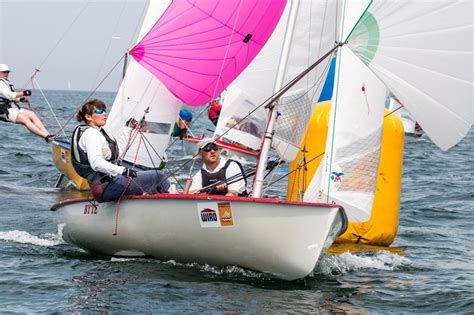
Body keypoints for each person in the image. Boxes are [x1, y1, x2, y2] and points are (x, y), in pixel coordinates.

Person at [71, 98, 170, 202]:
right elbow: (96, 163)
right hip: (105, 188)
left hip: (110, 184)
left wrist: (128, 129)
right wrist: (123, 171)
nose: (104, 114)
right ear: (88, 116)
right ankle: (168, 206)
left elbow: (117, 154)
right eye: (99, 111)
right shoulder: (91, 134)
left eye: (104, 110)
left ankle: (154, 203)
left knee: (148, 175)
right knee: (159, 176)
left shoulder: (99, 132)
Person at [0, 63, 56, 142]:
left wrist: (20, 99)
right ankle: (46, 137)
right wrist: (24, 93)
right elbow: (10, 95)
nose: (6, 74)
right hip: (3, 111)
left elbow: (9, 98)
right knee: (25, 119)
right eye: (4, 72)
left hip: (11, 107)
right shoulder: (0, 83)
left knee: (31, 114)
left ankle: (48, 134)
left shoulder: (6, 82)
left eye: (7, 72)